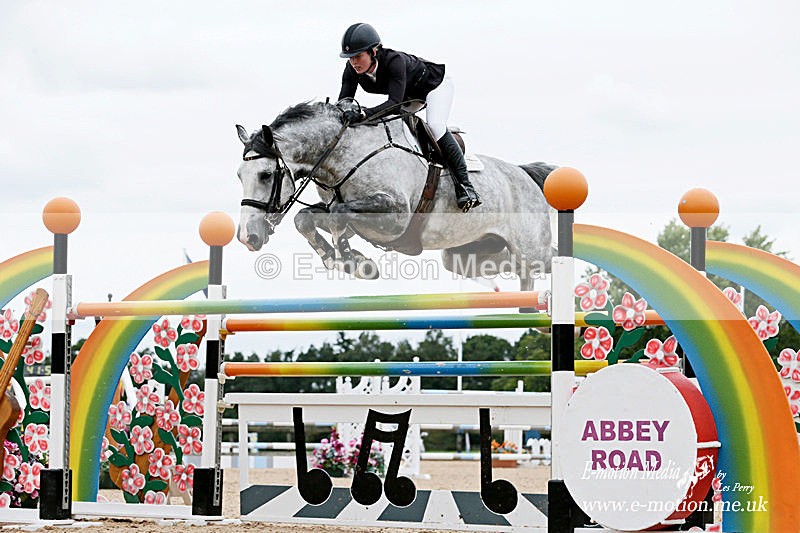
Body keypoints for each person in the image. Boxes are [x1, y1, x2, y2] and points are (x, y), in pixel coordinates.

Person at [337, 23, 481, 211]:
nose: (354, 62)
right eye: (350, 58)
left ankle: (465, 187)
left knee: (436, 126)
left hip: (435, 87)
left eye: (358, 56)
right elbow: (344, 102)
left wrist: (363, 114)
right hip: (408, 96)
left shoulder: (394, 61)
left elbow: (394, 102)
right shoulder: (352, 70)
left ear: (373, 51)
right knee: (396, 128)